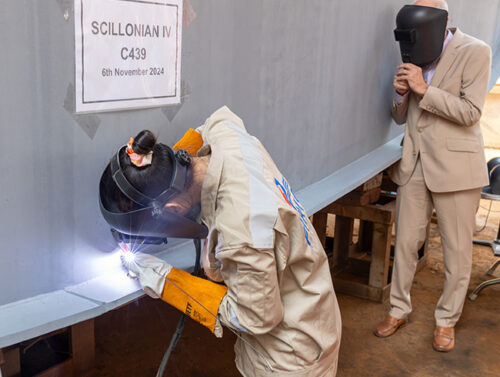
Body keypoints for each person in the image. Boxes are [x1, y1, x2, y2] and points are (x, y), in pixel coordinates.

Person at [100, 106, 342, 376]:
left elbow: (255, 317)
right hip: (313, 297)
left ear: (175, 208)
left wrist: (166, 280)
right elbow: (215, 121)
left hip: (293, 355)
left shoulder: (240, 231)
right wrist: (159, 169)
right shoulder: (227, 137)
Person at [374, 0, 492, 352]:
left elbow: (471, 112)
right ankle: (398, 309)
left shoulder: (476, 51)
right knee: (406, 244)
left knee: (457, 253)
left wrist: (424, 90)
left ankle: (446, 321)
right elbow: (399, 118)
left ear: (443, 21)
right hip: (414, 164)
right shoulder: (413, 53)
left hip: (457, 168)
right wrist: (399, 94)